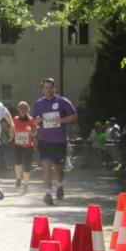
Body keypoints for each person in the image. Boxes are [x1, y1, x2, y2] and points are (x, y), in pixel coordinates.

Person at [32, 77, 79, 205]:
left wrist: (62, 120)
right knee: (46, 165)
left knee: (59, 167)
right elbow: (34, 120)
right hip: (44, 139)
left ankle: (60, 185)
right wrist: (37, 121)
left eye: (50, 88)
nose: (47, 90)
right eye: (45, 88)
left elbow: (75, 116)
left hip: (59, 140)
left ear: (54, 88)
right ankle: (48, 193)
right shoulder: (39, 103)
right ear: (42, 90)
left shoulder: (62, 101)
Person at [12, 101, 38, 192]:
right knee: (18, 163)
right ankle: (19, 179)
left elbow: (35, 133)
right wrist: (11, 135)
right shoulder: (15, 119)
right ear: (18, 109)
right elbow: (12, 130)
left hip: (28, 146)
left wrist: (31, 132)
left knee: (27, 166)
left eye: (25, 108)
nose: (23, 110)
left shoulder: (31, 120)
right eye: (21, 108)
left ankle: (26, 184)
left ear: (28, 109)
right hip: (17, 145)